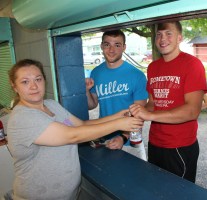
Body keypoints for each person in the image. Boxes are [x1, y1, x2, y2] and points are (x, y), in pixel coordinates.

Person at [7, 59, 143, 200]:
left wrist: (117, 116)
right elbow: (73, 135)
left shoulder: (51, 105)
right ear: (14, 86)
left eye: (38, 79)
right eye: (25, 82)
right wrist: (119, 124)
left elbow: (82, 125)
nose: (34, 86)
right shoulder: (22, 118)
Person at [129, 21, 207, 182]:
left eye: (168, 34)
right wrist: (138, 112)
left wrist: (150, 116)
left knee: (179, 194)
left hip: (179, 146)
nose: (162, 38)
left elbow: (192, 111)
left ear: (179, 37)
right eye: (159, 34)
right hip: (155, 143)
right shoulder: (153, 67)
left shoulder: (192, 64)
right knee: (157, 189)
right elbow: (153, 103)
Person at [85, 30, 148, 156]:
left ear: (124, 47)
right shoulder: (96, 73)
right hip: (104, 138)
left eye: (117, 45)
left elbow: (139, 114)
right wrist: (86, 91)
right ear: (102, 46)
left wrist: (123, 137)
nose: (111, 50)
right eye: (107, 44)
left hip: (130, 143)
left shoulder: (137, 75)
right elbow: (92, 105)